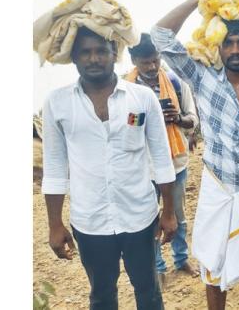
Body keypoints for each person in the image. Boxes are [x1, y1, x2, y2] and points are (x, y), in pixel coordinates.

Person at [151, 0, 239, 310]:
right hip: (216, 186)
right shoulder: (202, 76)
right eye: (229, 42)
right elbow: (159, 35)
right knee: (211, 260)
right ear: (219, 47)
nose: (236, 49)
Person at [41, 26, 177, 310]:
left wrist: (169, 212)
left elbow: (162, 158)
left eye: (101, 51)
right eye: (85, 52)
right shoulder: (58, 102)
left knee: (148, 291)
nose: (94, 59)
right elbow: (54, 168)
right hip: (90, 221)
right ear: (74, 57)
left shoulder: (141, 98)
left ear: (115, 54)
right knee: (101, 295)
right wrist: (55, 224)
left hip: (140, 216)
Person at [126, 33, 200, 287]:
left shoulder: (176, 83)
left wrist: (177, 118)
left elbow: (193, 119)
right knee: (149, 218)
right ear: (134, 60)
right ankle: (158, 266)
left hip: (176, 162)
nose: (152, 67)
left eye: (155, 60)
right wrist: (147, 118)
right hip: (142, 167)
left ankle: (181, 259)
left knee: (177, 215)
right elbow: (123, 128)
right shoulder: (125, 89)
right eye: (145, 62)